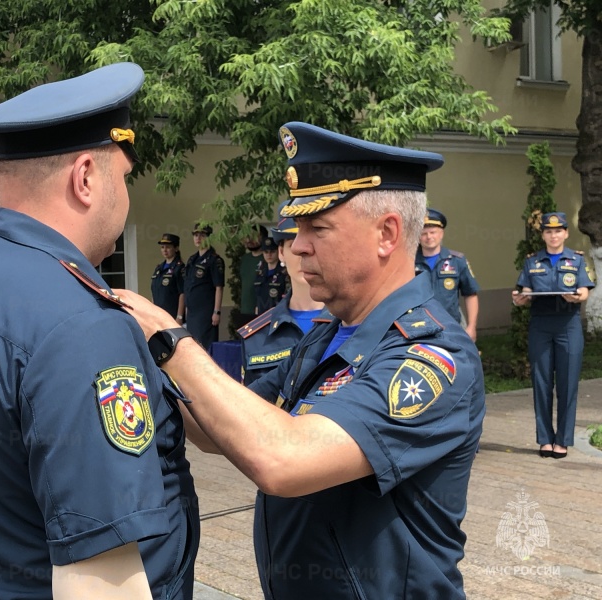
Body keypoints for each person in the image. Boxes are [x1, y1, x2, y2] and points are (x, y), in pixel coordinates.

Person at [115, 122, 485, 599]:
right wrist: (136, 359)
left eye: (317, 227)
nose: (297, 244)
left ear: (387, 234)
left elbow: (283, 459)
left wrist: (171, 340)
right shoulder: (327, 334)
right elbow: (215, 429)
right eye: (296, 228)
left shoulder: (432, 355)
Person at [0, 62, 199, 599]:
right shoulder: (81, 327)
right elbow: (100, 579)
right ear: (85, 178)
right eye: (124, 178)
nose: (126, 198)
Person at [512, 212, 594, 459]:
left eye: (558, 231)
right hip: (541, 325)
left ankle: (563, 440)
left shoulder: (577, 260)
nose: (554, 235)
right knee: (541, 382)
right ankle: (545, 439)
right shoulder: (532, 262)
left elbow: (584, 290)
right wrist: (520, 299)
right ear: (543, 235)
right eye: (548, 231)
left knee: (568, 384)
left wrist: (577, 297)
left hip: (568, 324)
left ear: (566, 233)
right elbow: (526, 290)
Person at [239, 201, 329, 385]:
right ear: (281, 252)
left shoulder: (352, 324)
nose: (304, 253)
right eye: (293, 244)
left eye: (315, 242)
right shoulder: (257, 336)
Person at [415, 208, 481, 340]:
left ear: (441, 234)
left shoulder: (457, 261)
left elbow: (471, 294)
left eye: (433, 232)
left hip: (451, 327)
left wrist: (471, 326)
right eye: (424, 233)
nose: (429, 237)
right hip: (419, 327)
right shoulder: (408, 262)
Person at [183, 223, 225, 351]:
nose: (198, 238)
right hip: (192, 313)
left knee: (205, 347)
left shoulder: (214, 260)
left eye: (202, 235)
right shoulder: (192, 259)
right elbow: (188, 285)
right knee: (193, 346)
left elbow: (219, 287)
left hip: (206, 312)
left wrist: (216, 312)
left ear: (209, 237)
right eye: (195, 235)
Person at [235, 224, 268, 328]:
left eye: (254, 236)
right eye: (248, 236)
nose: (249, 240)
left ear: (263, 238)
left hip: (262, 310)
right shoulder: (245, 259)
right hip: (245, 309)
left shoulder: (267, 259)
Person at [151, 233, 185, 325]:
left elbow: (183, 293)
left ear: (176, 248)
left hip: (172, 316)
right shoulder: (159, 268)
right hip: (159, 316)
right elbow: (154, 292)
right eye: (162, 247)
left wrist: (179, 316)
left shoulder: (179, 268)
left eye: (168, 247)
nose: (165, 250)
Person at [253, 236, 289, 315]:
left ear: (278, 252)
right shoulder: (260, 271)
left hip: (278, 314)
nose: (269, 254)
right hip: (261, 315)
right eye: (266, 252)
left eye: (272, 251)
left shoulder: (285, 272)